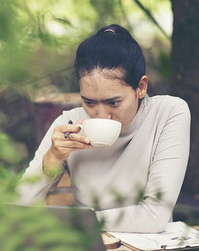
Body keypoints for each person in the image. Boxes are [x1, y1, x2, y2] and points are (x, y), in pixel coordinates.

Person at [16, 24, 190, 233]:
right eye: (88, 103)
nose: (100, 115)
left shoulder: (167, 113)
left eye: (113, 103)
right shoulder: (70, 123)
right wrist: (52, 160)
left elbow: (154, 216)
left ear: (141, 87)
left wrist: (75, 223)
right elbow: (17, 211)